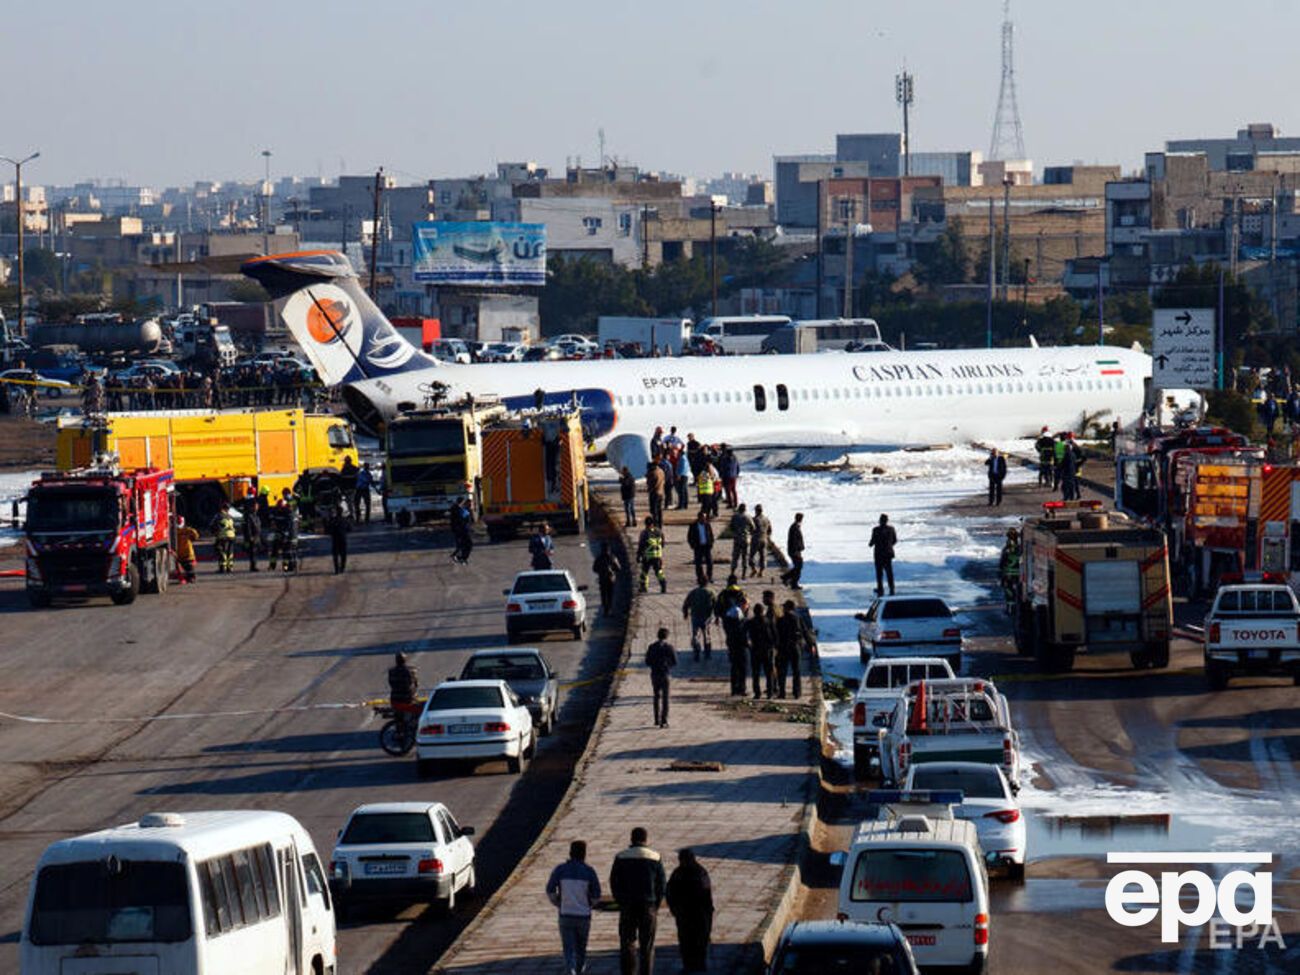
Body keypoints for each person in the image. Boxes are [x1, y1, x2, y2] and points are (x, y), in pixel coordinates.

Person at [609, 827, 666, 975]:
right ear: (646, 839)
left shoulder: (621, 857)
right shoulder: (655, 857)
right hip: (648, 906)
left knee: (627, 942)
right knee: (647, 945)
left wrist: (620, 901)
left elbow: (614, 882)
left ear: (631, 839)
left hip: (628, 905)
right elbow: (661, 884)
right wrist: (656, 905)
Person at [546, 840, 602, 975]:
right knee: (581, 948)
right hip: (583, 916)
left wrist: (559, 903)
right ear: (584, 854)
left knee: (568, 949)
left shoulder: (560, 869)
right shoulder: (589, 871)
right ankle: (579, 970)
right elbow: (596, 896)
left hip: (566, 914)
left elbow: (550, 891)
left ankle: (570, 971)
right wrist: (589, 904)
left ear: (570, 853)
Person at [666, 849, 714, 974]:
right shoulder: (699, 872)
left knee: (693, 941)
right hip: (691, 914)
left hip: (692, 914)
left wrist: (675, 909)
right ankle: (693, 965)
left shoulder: (682, 873)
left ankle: (695, 965)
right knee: (691, 941)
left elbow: (670, 892)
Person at [716, 575, 749, 695]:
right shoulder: (742, 593)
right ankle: (742, 689)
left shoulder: (723, 594)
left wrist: (719, 616)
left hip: (728, 624)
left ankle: (734, 689)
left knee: (734, 666)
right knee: (743, 667)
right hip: (741, 638)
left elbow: (718, 607)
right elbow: (747, 605)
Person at [776, 600, 816, 699]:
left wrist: (775, 646)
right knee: (796, 671)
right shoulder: (798, 619)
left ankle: (782, 692)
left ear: (787, 608)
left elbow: (776, 634)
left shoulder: (781, 620)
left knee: (782, 671)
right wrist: (811, 644)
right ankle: (797, 693)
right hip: (795, 647)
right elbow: (805, 632)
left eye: (784, 607)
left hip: (783, 647)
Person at [645, 627, 678, 728]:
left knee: (656, 696)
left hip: (655, 674)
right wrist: (667, 666)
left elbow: (647, 661)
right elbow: (675, 661)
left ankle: (656, 719)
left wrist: (654, 665)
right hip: (665, 674)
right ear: (667, 636)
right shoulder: (669, 647)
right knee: (665, 697)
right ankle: (664, 720)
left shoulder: (651, 647)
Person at [746, 603, 777, 699]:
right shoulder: (768, 621)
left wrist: (748, 645)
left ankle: (757, 693)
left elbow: (744, 634)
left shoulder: (750, 622)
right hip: (767, 650)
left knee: (756, 673)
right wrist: (774, 646)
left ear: (754, 612)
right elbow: (775, 635)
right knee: (769, 672)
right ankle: (770, 693)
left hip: (755, 649)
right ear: (763, 611)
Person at [681, 581, 716, 660]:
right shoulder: (710, 592)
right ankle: (707, 653)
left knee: (695, 635)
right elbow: (715, 605)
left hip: (695, 616)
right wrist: (716, 616)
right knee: (706, 635)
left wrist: (685, 613)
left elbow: (686, 603)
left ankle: (696, 651)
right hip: (706, 617)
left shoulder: (693, 592)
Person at [592, 541, 623, 616]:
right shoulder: (612, 557)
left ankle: (605, 608)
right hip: (611, 579)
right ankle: (610, 608)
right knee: (610, 594)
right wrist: (612, 571)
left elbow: (594, 568)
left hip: (602, 579)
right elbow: (619, 568)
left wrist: (600, 571)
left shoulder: (599, 558)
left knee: (603, 594)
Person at [636, 516, 667, 593]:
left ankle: (643, 587)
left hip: (647, 556)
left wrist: (638, 555)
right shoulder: (659, 532)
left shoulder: (644, 533)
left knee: (644, 572)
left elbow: (641, 545)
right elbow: (662, 544)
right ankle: (663, 584)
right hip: (657, 556)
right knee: (659, 572)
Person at [869, 514, 897, 596]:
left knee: (879, 572)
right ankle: (892, 588)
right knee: (889, 572)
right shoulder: (891, 529)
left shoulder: (876, 530)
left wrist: (871, 544)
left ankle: (880, 588)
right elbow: (895, 540)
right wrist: (889, 546)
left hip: (879, 554)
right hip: (888, 553)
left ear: (880, 521)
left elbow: (872, 542)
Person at [686, 511, 715, 585]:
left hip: (706, 546)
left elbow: (711, 534)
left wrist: (711, 543)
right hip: (698, 547)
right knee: (698, 564)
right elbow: (689, 536)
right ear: (699, 518)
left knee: (710, 563)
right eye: (702, 518)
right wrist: (692, 545)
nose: (704, 519)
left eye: (705, 518)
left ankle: (709, 577)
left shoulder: (707, 525)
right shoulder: (693, 525)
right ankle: (700, 578)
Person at [728, 503, 754, 578]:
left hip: (737, 539)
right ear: (745, 509)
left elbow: (731, 527)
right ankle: (744, 574)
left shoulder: (735, 516)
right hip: (746, 539)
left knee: (735, 556)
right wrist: (748, 533)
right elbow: (753, 527)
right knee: (745, 556)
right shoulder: (748, 517)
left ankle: (732, 572)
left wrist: (736, 531)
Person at [780, 513, 805, 590]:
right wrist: (798, 549)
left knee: (798, 566)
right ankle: (792, 582)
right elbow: (794, 541)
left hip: (795, 550)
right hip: (794, 551)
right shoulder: (794, 527)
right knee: (799, 566)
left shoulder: (796, 526)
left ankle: (787, 578)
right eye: (800, 518)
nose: (801, 519)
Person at [238, 491, 261, 572]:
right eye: (256, 505)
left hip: (256, 536)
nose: (257, 507)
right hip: (252, 537)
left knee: (255, 552)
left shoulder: (255, 515)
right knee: (253, 552)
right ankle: (253, 566)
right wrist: (250, 537)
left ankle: (254, 565)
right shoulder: (249, 515)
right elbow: (248, 527)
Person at [211, 502, 236, 574]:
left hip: (223, 536)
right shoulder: (230, 516)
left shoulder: (218, 515)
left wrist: (214, 533)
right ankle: (230, 567)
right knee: (230, 551)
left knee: (222, 551)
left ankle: (223, 567)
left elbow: (213, 525)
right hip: (232, 536)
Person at [999, 528, 1022, 608]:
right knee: (1018, 590)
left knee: (1009, 589)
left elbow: (1002, 563)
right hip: (1019, 573)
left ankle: (1010, 605)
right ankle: (1016, 604)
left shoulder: (1006, 550)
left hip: (1008, 573)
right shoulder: (1020, 549)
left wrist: (1001, 575)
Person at [325, 503, 349, 574]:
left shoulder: (333, 520)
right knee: (343, 554)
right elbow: (350, 528)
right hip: (343, 538)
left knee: (335, 555)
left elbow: (328, 530)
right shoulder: (344, 520)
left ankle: (336, 569)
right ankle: (342, 568)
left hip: (335, 539)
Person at [749, 503, 772, 578]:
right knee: (763, 556)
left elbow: (750, 529)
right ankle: (761, 572)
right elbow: (770, 530)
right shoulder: (766, 519)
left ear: (756, 511)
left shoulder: (754, 519)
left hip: (756, 539)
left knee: (751, 556)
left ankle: (753, 569)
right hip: (764, 539)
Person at [450, 498, 474, 564]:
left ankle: (459, 557)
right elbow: (462, 520)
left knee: (463, 545)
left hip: (462, 530)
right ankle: (460, 557)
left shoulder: (461, 510)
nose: (470, 505)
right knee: (466, 544)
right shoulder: (459, 510)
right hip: (462, 530)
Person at [175, 518, 199, 584]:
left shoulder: (174, 531)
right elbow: (196, 536)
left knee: (186, 566)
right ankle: (191, 578)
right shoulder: (188, 530)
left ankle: (189, 578)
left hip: (180, 553)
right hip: (188, 553)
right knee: (189, 567)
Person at [645, 460, 666, 528]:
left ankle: (656, 523)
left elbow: (651, 483)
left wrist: (648, 475)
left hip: (654, 493)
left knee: (654, 510)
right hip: (661, 492)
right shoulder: (661, 471)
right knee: (659, 509)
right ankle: (660, 523)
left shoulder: (653, 473)